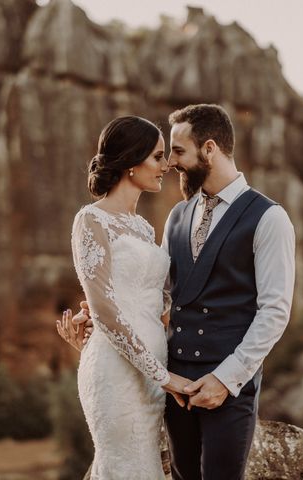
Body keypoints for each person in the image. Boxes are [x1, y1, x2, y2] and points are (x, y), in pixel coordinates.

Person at [62, 104, 295, 480]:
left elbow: (275, 311)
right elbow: (162, 296)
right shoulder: (176, 217)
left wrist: (227, 378)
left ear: (209, 149)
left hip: (226, 387)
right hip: (172, 385)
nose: (170, 163)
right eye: (162, 154)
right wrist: (97, 330)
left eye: (177, 152)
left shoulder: (269, 218)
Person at [56, 115, 193, 480]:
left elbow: (155, 301)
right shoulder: (91, 221)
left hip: (151, 372)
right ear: (132, 162)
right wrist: (164, 377)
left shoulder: (143, 228)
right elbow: (103, 307)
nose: (166, 166)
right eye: (157, 157)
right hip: (118, 374)